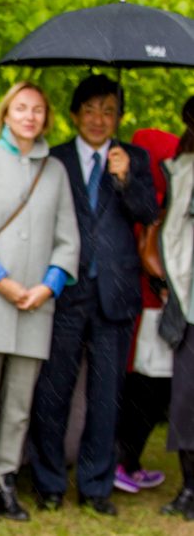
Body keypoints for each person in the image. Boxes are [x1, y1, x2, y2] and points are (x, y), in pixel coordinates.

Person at [29, 74, 158, 516]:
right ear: (74, 115)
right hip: (64, 291)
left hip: (117, 294)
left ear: (119, 117)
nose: (99, 119)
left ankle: (96, 484)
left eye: (108, 110)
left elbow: (148, 212)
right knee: (53, 392)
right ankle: (47, 481)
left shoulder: (134, 158)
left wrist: (124, 179)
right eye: (90, 110)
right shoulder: (54, 159)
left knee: (107, 397)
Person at [0, 82, 79, 521]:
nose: (29, 116)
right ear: (5, 114)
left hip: (36, 307)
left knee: (19, 406)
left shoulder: (56, 171)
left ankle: (6, 480)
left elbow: (68, 241)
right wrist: (3, 283)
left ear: (46, 118)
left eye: (38, 109)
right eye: (21, 108)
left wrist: (47, 287)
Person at [111, 127, 178, 494]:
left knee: (146, 386)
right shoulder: (154, 202)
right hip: (153, 304)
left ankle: (127, 460)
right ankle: (124, 460)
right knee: (148, 387)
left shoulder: (152, 196)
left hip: (150, 303)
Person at [158, 95, 194, 522]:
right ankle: (189, 486)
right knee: (186, 401)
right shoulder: (182, 171)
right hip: (190, 304)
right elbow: (172, 236)